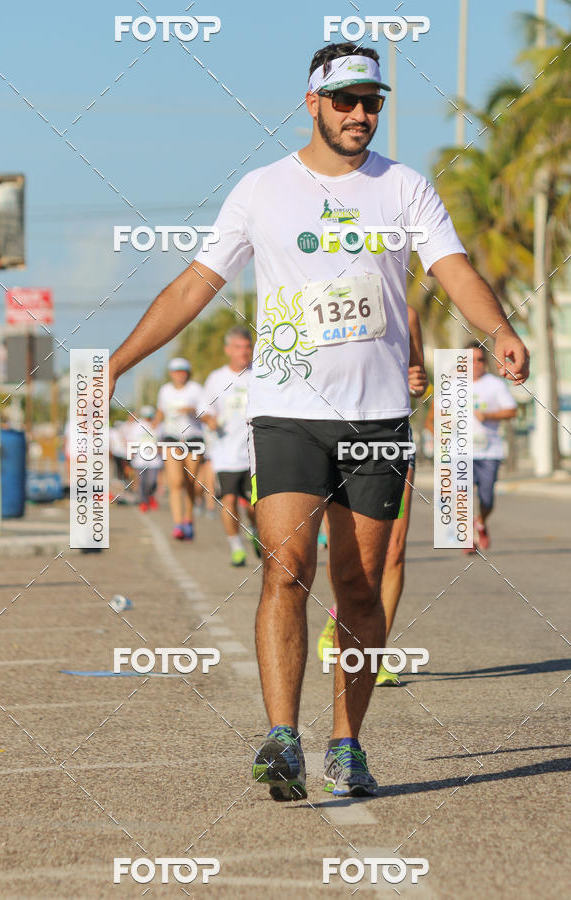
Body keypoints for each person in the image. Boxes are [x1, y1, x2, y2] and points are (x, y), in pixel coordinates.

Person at [109, 42, 529, 801]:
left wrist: (495, 328)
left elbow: (453, 268)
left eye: (372, 102)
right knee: (285, 567)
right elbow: (194, 285)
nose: (360, 114)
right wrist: (115, 361)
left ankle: (346, 744)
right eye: (345, 101)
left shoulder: (403, 187)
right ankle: (280, 737)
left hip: (377, 418)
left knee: (360, 588)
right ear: (312, 104)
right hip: (289, 412)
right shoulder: (263, 190)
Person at [317, 306, 428, 687]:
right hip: (332, 437)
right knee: (347, 549)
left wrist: (418, 380)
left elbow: (419, 378)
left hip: (390, 438)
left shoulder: (407, 313)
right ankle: (343, 615)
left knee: (394, 548)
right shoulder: (323, 302)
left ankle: (374, 652)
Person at [199, 326, 262, 566]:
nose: (243, 352)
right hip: (226, 453)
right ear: (228, 350)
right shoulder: (217, 378)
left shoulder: (258, 374)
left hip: (255, 453)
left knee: (256, 506)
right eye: (238, 347)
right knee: (229, 500)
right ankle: (236, 546)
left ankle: (255, 532)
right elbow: (204, 409)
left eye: (247, 347)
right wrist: (210, 419)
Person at [469, 340, 517, 551]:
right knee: (460, 495)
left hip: (490, 451)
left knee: (487, 499)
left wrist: (487, 415)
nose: (476, 363)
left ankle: (480, 521)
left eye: (480, 359)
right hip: (458, 452)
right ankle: (468, 538)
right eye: (471, 360)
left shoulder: (495, 385)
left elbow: (511, 411)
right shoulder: (450, 385)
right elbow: (433, 417)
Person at [154, 358, 205, 540]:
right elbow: (161, 410)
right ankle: (177, 524)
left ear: (188, 372)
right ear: (171, 373)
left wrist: (191, 410)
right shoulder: (165, 390)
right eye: (176, 371)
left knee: (190, 481)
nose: (179, 374)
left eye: (183, 371)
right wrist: (154, 424)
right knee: (175, 482)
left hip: (193, 438)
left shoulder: (196, 389)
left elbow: (205, 412)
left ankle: (188, 519)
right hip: (172, 438)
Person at [126, 405, 162, 512]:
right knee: (142, 482)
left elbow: (161, 441)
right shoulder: (137, 426)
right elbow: (130, 440)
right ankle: (143, 501)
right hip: (140, 459)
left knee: (152, 482)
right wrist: (131, 454)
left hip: (155, 460)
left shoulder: (158, 426)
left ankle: (150, 496)